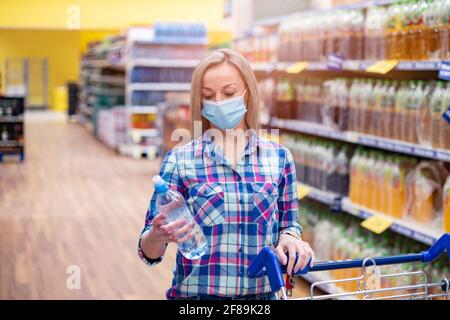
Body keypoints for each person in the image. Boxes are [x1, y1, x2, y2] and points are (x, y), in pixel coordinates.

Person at [138, 48, 315, 300]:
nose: (219, 102)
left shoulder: (279, 158)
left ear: (247, 94)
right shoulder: (180, 160)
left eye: (229, 93)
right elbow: (149, 253)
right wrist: (156, 236)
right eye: (208, 95)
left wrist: (290, 239)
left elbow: (289, 224)